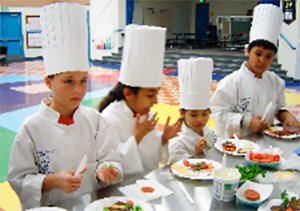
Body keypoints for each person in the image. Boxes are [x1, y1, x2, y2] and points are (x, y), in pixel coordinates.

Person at [8, 3, 122, 209]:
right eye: (68, 81)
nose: (78, 90)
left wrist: (107, 169)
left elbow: (111, 156)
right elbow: (18, 179)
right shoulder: (32, 128)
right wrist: (50, 181)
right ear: (48, 82)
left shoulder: (94, 120)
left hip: (92, 205)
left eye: (83, 81)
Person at [99, 24, 181, 176]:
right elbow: (110, 166)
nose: (155, 101)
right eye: (150, 95)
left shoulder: (143, 113)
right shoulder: (109, 119)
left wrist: (163, 138)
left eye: (156, 94)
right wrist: (137, 136)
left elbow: (150, 154)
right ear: (128, 93)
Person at [210, 3, 300, 138]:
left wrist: (287, 116)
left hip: (265, 143)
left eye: (268, 56)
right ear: (247, 51)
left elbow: (279, 108)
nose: (262, 60)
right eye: (258, 54)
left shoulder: (276, 82)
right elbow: (217, 112)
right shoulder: (231, 82)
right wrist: (245, 121)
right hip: (235, 145)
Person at [168, 58, 217, 164]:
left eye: (205, 114)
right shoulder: (178, 142)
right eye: (193, 115)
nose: (200, 119)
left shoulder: (209, 132)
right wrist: (197, 154)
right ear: (182, 113)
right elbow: (178, 167)